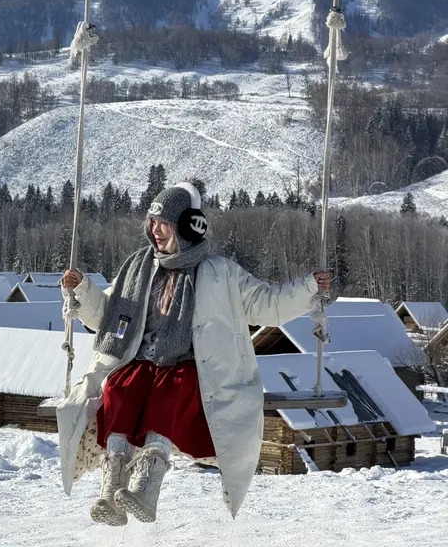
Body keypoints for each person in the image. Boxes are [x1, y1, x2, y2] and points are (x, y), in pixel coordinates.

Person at [58, 181, 330, 526]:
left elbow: (267, 304)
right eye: (152, 223)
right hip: (139, 361)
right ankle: (111, 490)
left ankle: (146, 490)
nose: (155, 231)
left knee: (166, 395)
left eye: (164, 223)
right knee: (119, 391)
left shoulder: (219, 273)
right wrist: (81, 288)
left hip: (187, 365)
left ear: (188, 227)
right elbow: (108, 316)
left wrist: (308, 288)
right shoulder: (139, 268)